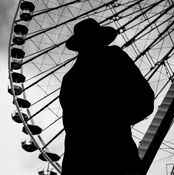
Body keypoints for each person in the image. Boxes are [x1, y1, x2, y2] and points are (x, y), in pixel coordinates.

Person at [59, 18, 154, 175]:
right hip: (118, 155)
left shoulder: (69, 79)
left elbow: (70, 124)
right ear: (99, 38)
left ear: (78, 46)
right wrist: (117, 123)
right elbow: (145, 98)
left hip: (77, 161)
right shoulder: (114, 56)